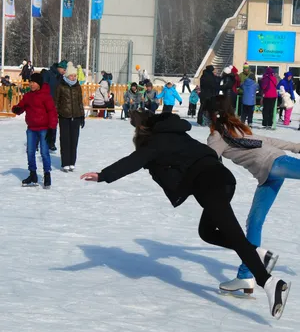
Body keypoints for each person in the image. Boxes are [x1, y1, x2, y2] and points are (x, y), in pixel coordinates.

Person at [81, 110, 291, 319]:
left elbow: (132, 161)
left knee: (234, 235)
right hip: (224, 180)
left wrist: (103, 175)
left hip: (209, 186)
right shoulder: (180, 134)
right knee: (207, 232)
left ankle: (270, 283)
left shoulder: (156, 142)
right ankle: (258, 253)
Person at [204, 94, 299, 298]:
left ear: (211, 115)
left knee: (254, 223)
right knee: (254, 222)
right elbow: (267, 140)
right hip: (269, 174)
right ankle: (246, 275)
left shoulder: (218, 136)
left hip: (275, 164)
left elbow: (207, 162)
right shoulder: (236, 130)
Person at [11, 73, 57, 188]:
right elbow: (21, 107)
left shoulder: (45, 96)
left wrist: (52, 128)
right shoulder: (27, 96)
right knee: (30, 152)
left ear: (39, 84)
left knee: (44, 153)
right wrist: (17, 109)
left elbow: (52, 112)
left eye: (34, 82)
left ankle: (47, 175)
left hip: (44, 129)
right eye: (30, 82)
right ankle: (33, 174)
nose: (31, 84)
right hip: (31, 129)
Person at [54, 62, 85, 172]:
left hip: (76, 116)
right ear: (67, 76)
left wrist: (82, 116)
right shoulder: (61, 86)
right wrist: (55, 114)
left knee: (74, 140)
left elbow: (80, 102)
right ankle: (65, 162)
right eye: (71, 75)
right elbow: (56, 102)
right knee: (65, 140)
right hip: (64, 116)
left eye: (75, 75)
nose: (73, 77)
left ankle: (72, 162)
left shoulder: (77, 87)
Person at [42, 59, 68, 150]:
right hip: (45, 102)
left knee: (53, 123)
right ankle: (38, 142)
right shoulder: (48, 74)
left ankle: (51, 143)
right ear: (59, 68)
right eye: (64, 70)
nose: (64, 72)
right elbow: (42, 87)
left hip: (55, 104)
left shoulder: (61, 77)